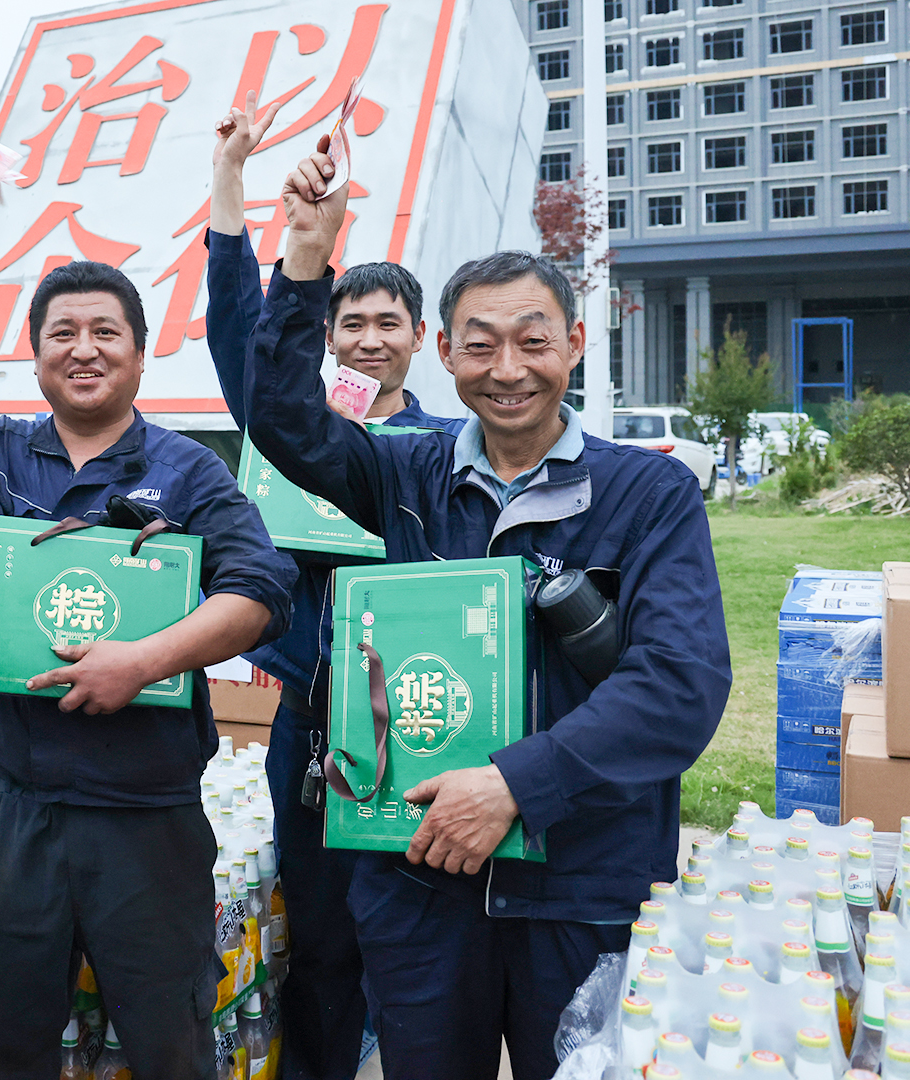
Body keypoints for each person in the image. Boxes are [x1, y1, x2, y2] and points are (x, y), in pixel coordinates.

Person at [243, 146, 732, 1080]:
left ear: (576, 346)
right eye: (480, 343)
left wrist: (516, 783)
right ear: (446, 352)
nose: (508, 368)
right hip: (421, 882)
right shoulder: (400, 475)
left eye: (533, 340)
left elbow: (681, 682)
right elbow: (280, 420)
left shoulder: (649, 494)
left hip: (580, 888)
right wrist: (309, 251)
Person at [0, 180, 296, 1080]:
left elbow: (261, 589)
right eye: (64, 334)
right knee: (11, 1037)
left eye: (106, 333)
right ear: (36, 353)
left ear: (139, 353)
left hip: (148, 819)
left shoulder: (188, 475)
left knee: (169, 1040)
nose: (85, 350)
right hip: (16, 809)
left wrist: (146, 660)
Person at [205, 92, 465, 1080]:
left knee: (420, 924)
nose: (364, 338)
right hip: (312, 720)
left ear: (418, 339)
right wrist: (231, 185)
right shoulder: (290, 436)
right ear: (326, 331)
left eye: (386, 322)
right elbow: (238, 323)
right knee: (317, 929)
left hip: (426, 715)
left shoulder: (445, 452)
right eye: (348, 320)